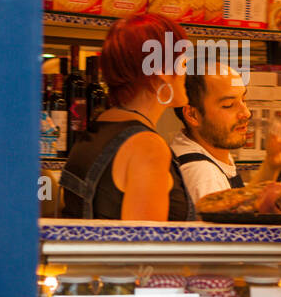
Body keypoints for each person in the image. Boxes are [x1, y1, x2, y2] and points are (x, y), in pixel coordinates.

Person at [59, 13, 195, 221]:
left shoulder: (97, 129)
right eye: (183, 64)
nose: (187, 74)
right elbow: (145, 248)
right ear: (161, 72)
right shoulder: (147, 147)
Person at [171, 70, 281, 206]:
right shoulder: (203, 174)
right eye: (228, 105)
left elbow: (242, 206)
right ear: (192, 115)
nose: (246, 113)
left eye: (243, 100)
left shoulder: (206, 151)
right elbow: (229, 225)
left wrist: (270, 166)